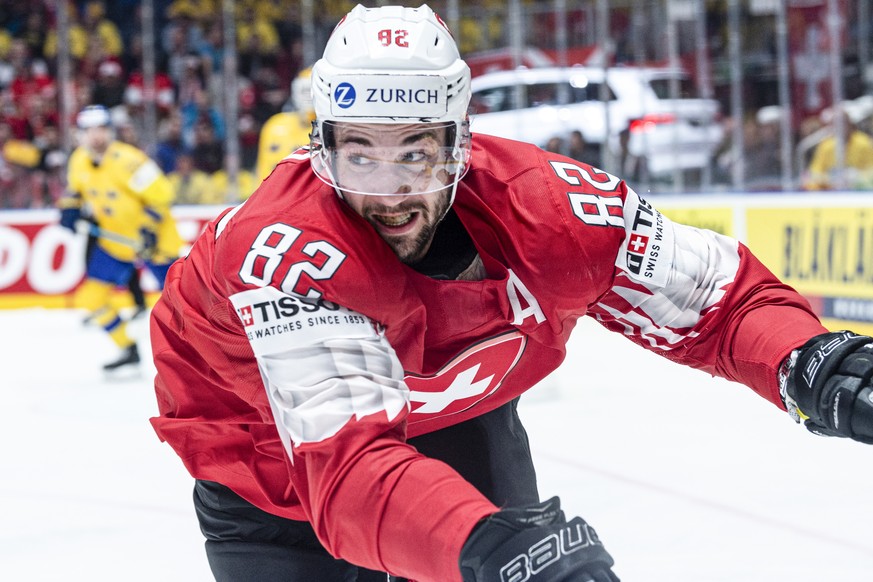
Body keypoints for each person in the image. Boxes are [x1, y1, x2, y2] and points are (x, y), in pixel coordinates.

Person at [149, 5, 873, 582]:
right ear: (322, 145)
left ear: (459, 143)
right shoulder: (283, 254)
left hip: (458, 425)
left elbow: (716, 301)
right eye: (359, 153)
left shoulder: (552, 207)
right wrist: (485, 546)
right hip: (271, 478)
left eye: (416, 152)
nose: (389, 189)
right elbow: (347, 474)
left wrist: (812, 364)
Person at [59, 105, 183, 370]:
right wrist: (69, 208)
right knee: (90, 299)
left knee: (181, 302)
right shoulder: (79, 160)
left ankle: (206, 354)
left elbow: (162, 196)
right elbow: (75, 190)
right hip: (115, 242)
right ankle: (128, 348)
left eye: (102, 129)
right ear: (78, 134)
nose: (96, 136)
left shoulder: (129, 161)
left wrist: (149, 230)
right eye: (89, 131)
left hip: (155, 241)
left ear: (110, 131)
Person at [254, 66, 314, 182]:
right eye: (305, 91)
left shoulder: (332, 129)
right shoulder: (275, 125)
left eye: (313, 91)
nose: (309, 97)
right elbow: (264, 169)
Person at [804, 107, 873, 190]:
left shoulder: (864, 143)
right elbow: (815, 172)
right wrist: (828, 180)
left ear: (850, 124)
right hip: (832, 192)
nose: (840, 128)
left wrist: (855, 178)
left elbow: (870, 172)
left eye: (843, 123)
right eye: (835, 124)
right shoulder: (826, 146)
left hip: (858, 192)